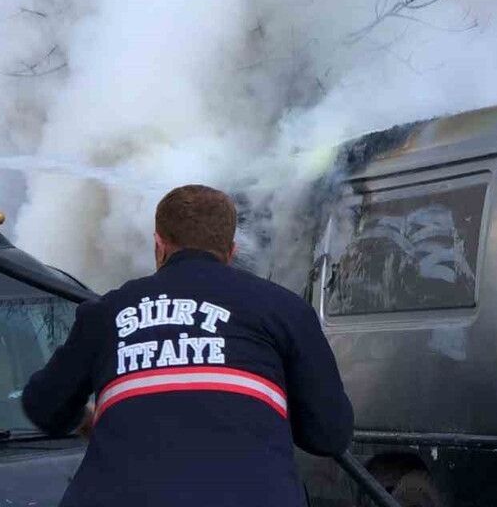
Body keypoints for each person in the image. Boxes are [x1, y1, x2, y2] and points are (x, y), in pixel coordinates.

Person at [22, 184, 353, 507]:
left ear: (159, 246)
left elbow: (44, 407)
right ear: (232, 251)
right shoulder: (286, 310)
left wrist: (86, 420)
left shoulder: (106, 313)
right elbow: (329, 435)